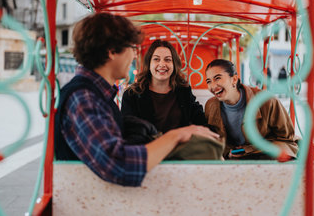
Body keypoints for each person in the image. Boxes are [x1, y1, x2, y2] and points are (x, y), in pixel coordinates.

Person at [54, 13, 219, 187]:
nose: (134, 56)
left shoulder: (97, 95)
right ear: (112, 51)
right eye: (132, 48)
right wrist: (177, 135)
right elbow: (120, 165)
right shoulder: (84, 98)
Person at [204, 59, 298, 160]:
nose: (213, 86)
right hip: (233, 161)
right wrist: (228, 153)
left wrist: (249, 150)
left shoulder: (266, 100)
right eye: (209, 81)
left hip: (266, 157)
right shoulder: (211, 105)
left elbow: (286, 138)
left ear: (234, 79)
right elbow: (216, 140)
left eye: (217, 78)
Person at [121, 40, 207, 136]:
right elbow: (129, 132)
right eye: (156, 59)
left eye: (168, 60)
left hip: (181, 148)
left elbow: (199, 119)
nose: (162, 64)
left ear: (174, 65)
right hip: (148, 149)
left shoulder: (183, 90)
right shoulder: (132, 95)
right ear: (148, 64)